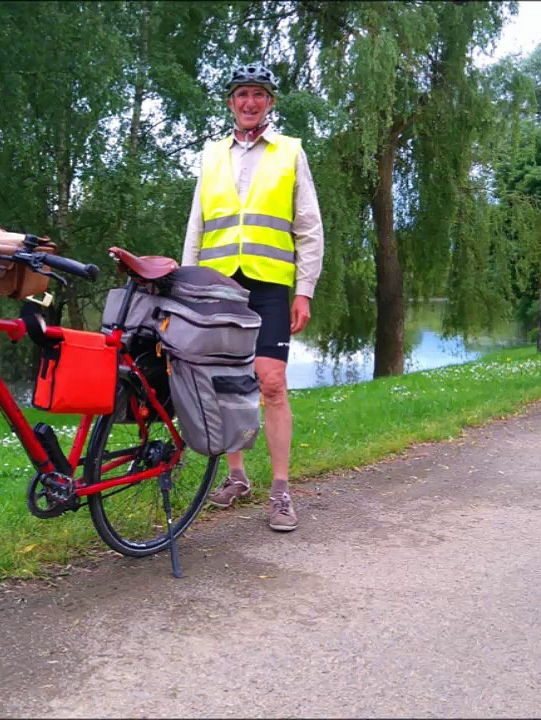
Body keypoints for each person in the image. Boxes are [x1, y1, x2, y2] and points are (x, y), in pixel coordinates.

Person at [181, 63, 324, 532]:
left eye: (257, 95)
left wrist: (303, 290)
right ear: (230, 102)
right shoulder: (210, 156)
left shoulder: (290, 152)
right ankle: (236, 476)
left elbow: (308, 228)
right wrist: (187, 284)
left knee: (271, 383)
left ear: (270, 103)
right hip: (220, 284)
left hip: (267, 285)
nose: (248, 102)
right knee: (226, 383)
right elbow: (196, 226)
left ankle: (281, 491)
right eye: (241, 94)